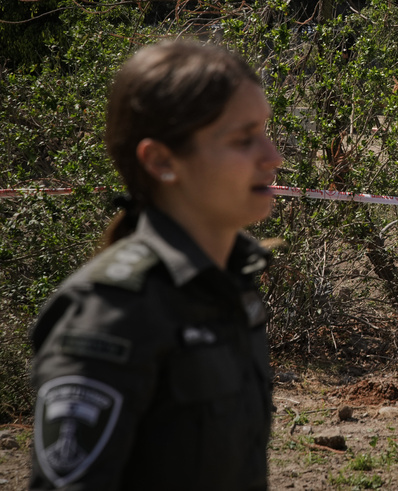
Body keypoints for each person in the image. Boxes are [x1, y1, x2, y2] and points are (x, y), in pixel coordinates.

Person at [29, 41, 283, 491]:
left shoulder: (230, 283)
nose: (272, 157)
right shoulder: (111, 312)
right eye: (244, 139)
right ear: (162, 160)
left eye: (265, 131)